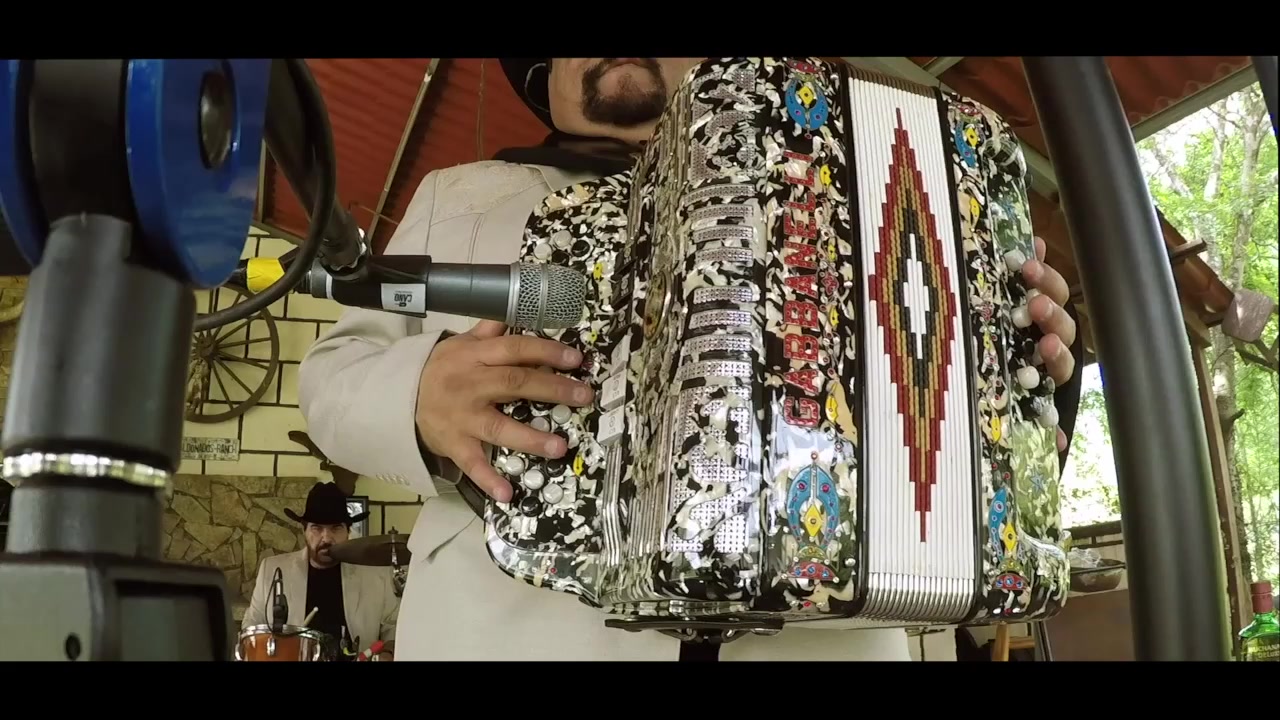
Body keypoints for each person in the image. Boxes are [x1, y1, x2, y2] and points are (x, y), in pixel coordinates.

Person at [298, 57, 1082, 661]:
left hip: (824, 640)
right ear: (545, 77)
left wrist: (1021, 363)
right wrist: (417, 396)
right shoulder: (462, 191)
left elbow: (969, 430)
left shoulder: (844, 185)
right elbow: (332, 377)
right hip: (509, 629)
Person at [243, 482, 399, 660]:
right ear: (304, 531)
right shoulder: (273, 570)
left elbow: (395, 628)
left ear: (348, 531)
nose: (326, 538)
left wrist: (388, 653)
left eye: (335, 528)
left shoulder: (375, 574)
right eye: (317, 528)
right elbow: (251, 627)